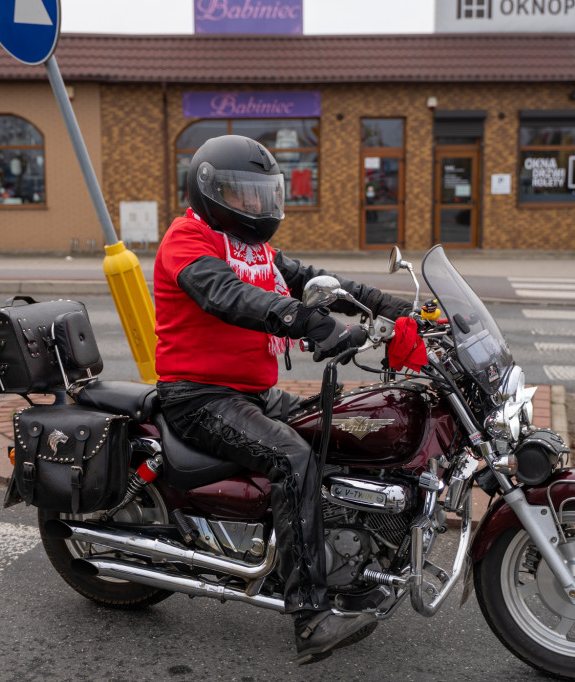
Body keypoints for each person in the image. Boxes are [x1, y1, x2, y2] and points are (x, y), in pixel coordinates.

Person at [153, 135, 412, 664]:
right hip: (197, 396)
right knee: (293, 458)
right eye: (243, 196)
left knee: (337, 429)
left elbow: (318, 281)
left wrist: (398, 306)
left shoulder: (257, 252)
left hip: (249, 392)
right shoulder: (187, 241)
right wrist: (315, 326)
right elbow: (230, 296)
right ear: (210, 193)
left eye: (262, 195)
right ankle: (312, 614)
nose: (256, 206)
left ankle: (350, 568)